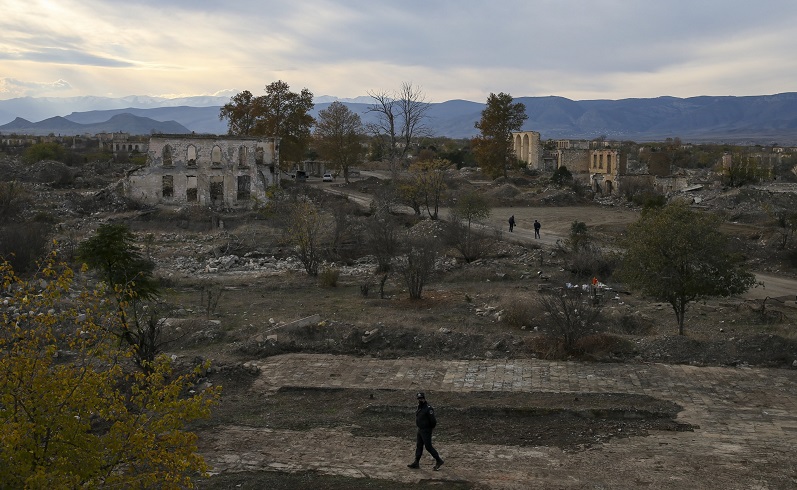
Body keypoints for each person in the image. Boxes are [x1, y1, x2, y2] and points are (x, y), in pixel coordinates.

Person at [407, 392, 444, 470]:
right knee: (419, 446)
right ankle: (416, 462)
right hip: (420, 429)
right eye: (419, 399)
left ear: (424, 398)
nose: (420, 400)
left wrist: (430, 428)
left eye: (421, 398)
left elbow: (433, 421)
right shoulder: (420, 407)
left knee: (428, 447)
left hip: (426, 430)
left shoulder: (428, 408)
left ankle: (438, 460)